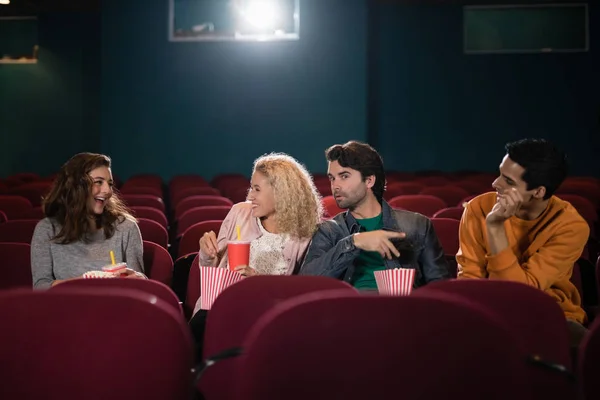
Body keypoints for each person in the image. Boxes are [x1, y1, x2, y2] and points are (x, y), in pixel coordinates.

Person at [456, 138, 589, 349]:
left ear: (538, 192)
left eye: (508, 181)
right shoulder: (477, 208)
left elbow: (519, 295)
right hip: (486, 310)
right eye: (500, 173)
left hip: (551, 314)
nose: (495, 183)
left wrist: (496, 228)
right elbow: (470, 279)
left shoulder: (570, 226)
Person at [189, 153, 323, 358]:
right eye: (251, 187)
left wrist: (259, 282)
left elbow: (300, 290)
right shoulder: (239, 213)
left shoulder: (304, 235)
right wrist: (208, 256)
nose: (250, 195)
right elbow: (211, 275)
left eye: (257, 189)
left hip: (269, 314)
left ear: (282, 193)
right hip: (221, 306)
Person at [300, 141, 450, 289]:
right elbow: (307, 282)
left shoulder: (417, 225)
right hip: (349, 309)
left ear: (369, 181)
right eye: (332, 178)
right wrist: (353, 242)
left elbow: (439, 285)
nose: (335, 185)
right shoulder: (329, 230)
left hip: (402, 308)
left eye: (344, 176)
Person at [31, 153, 145, 288]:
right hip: (64, 306)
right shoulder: (47, 229)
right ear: (76, 186)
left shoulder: (126, 227)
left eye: (110, 184)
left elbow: (139, 286)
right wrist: (84, 283)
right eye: (98, 182)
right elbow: (40, 287)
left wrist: (139, 279)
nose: (108, 191)